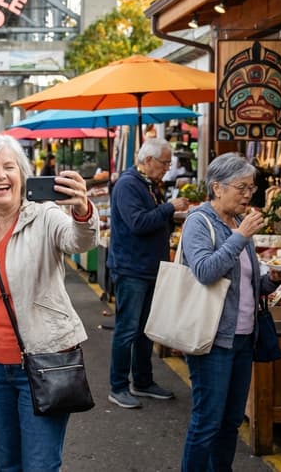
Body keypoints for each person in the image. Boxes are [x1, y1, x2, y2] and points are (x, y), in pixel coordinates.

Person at [0, 135, 99, 470]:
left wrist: (82, 210)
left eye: (9, 167)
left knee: (39, 465)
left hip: (43, 362)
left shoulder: (45, 216)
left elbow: (78, 241)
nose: (0, 175)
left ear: (23, 176)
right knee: (7, 465)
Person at [180, 152, 281, 471]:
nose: (247, 194)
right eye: (241, 187)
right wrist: (240, 238)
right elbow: (205, 271)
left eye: (251, 188)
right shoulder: (199, 222)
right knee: (207, 422)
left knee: (230, 422)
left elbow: (245, 282)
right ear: (217, 187)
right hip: (212, 338)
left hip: (243, 338)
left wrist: (272, 280)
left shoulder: (239, 222)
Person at [107, 138, 190, 409]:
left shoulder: (147, 183)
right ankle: (118, 386)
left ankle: (142, 381)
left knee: (145, 330)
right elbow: (139, 223)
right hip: (132, 268)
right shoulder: (128, 184)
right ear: (148, 160)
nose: (167, 167)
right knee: (127, 329)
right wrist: (169, 208)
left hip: (148, 267)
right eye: (165, 162)